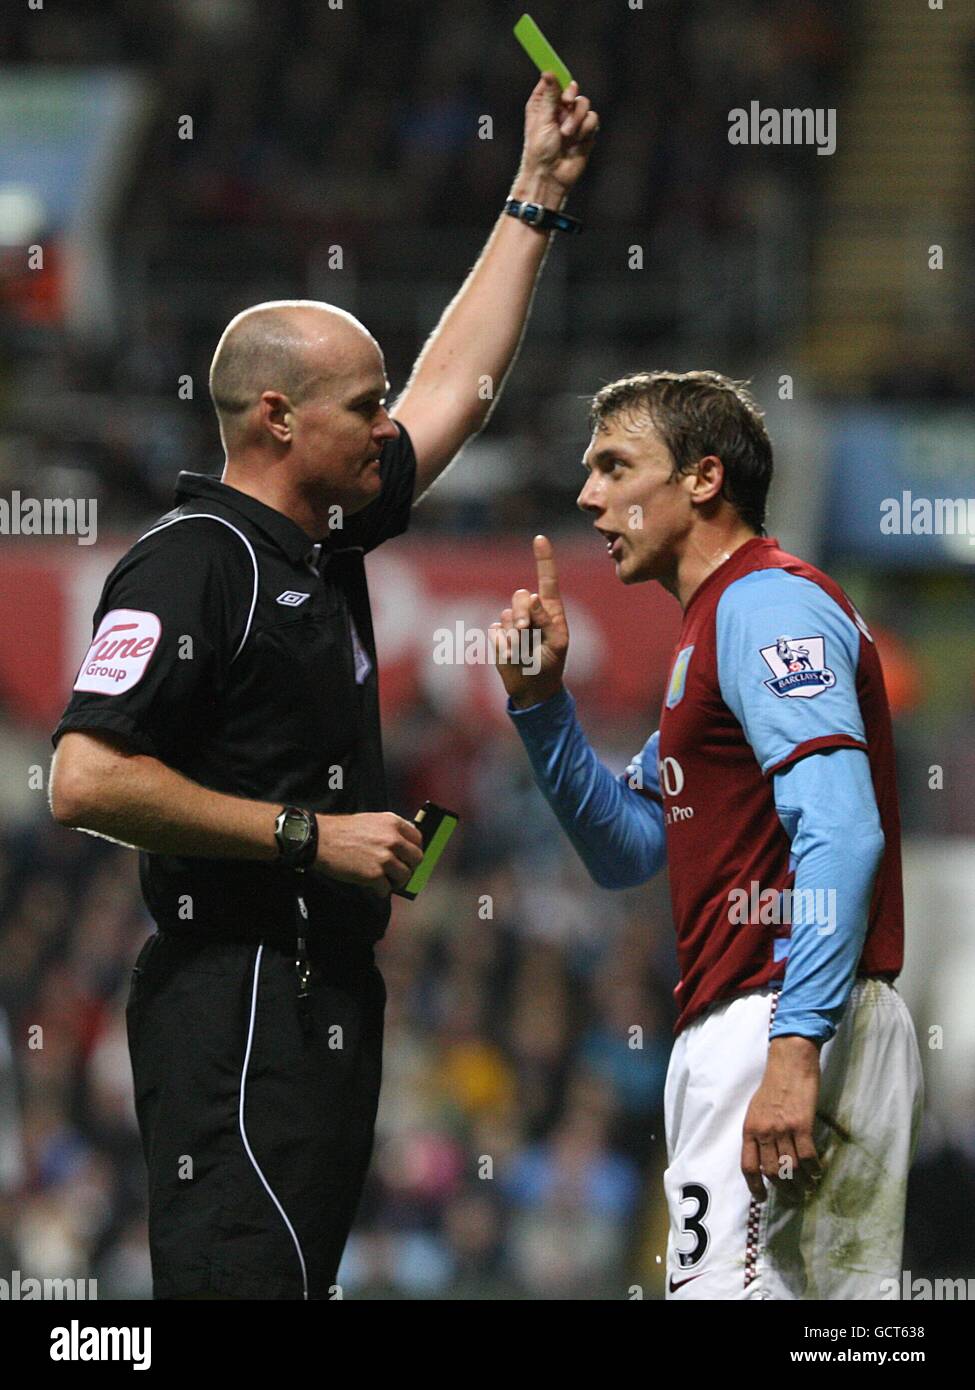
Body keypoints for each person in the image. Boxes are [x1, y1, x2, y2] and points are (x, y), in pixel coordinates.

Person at [47, 73, 599, 1301]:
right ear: (283, 419)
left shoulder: (324, 544)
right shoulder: (193, 564)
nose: (388, 427)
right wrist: (307, 835)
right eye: (364, 407)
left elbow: (460, 391)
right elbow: (81, 776)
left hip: (320, 998)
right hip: (234, 998)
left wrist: (536, 194)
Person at [489, 370, 923, 1300]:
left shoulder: (766, 606)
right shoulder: (715, 629)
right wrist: (539, 708)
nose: (587, 495)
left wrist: (793, 1046)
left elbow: (842, 832)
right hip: (770, 1014)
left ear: (701, 478)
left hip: (777, 1010)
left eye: (614, 465)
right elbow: (630, 847)